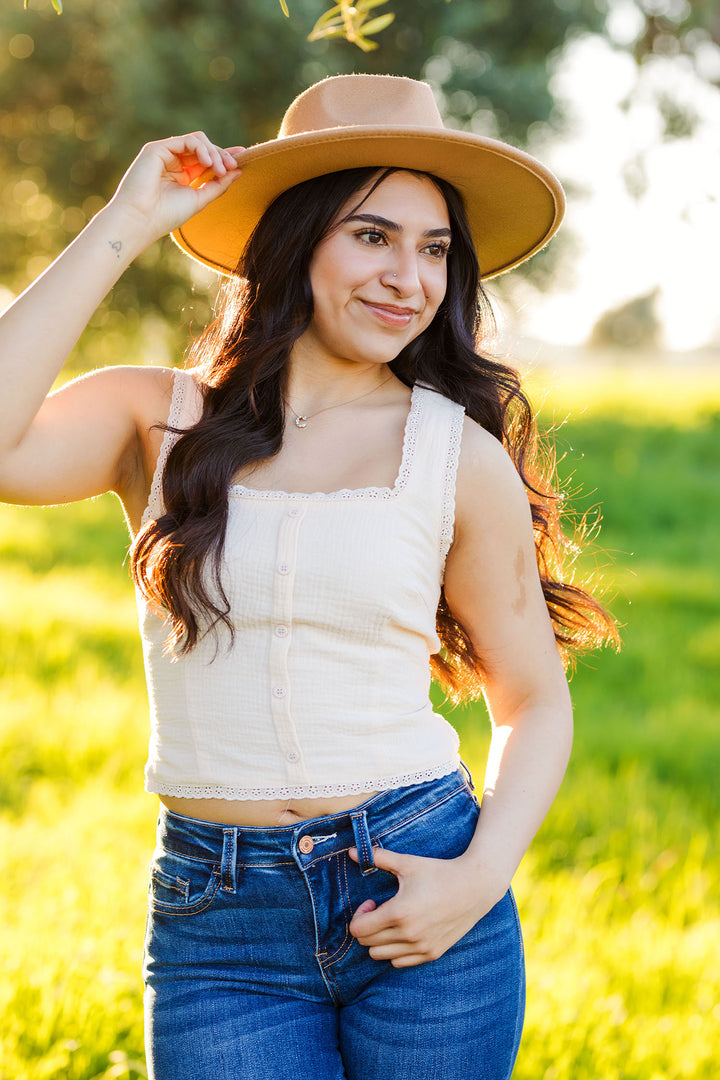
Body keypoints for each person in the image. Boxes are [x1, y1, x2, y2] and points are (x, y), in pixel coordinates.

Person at [0, 74, 617, 1080]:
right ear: (293, 240)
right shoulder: (155, 421)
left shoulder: (454, 454)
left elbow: (533, 699)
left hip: (417, 879)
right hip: (218, 928)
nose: (408, 279)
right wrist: (128, 222)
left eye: (434, 250)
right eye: (372, 236)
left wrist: (478, 877)